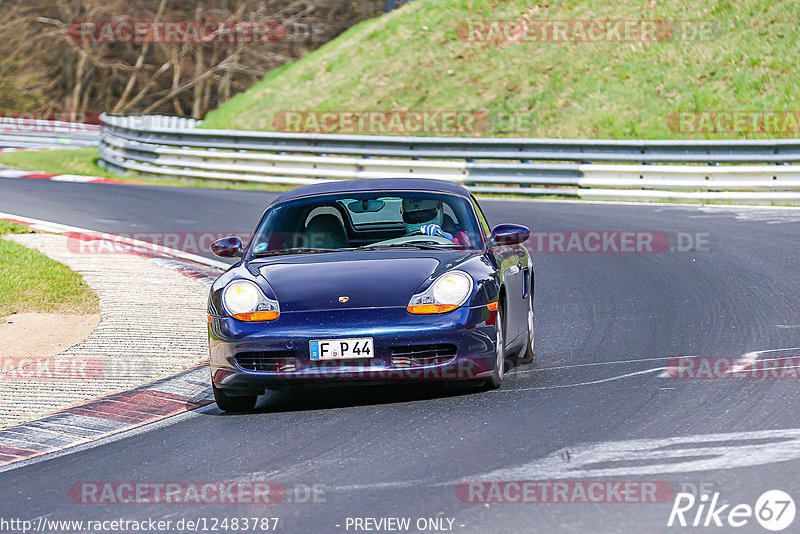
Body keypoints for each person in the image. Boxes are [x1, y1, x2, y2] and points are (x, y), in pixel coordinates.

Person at [401, 198, 472, 247]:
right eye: (412, 216)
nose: (418, 220)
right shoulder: (397, 241)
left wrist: (449, 240)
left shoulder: (459, 236)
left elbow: (469, 253)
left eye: (424, 214)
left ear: (438, 211)